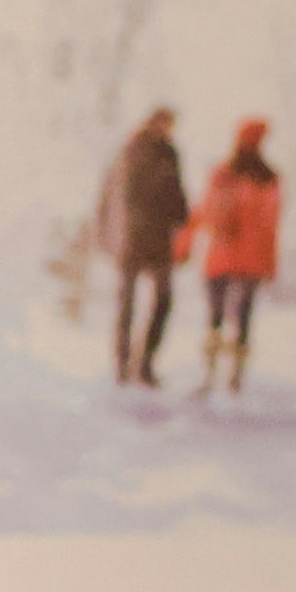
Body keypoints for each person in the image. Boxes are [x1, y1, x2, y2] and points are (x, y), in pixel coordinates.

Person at [102, 102, 196, 388]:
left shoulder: (170, 153)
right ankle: (122, 363)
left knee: (163, 302)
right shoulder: (133, 150)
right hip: (132, 239)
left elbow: (177, 194)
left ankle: (145, 363)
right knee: (127, 305)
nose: (167, 129)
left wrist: (182, 219)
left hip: (160, 241)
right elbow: (120, 194)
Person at [193, 120, 288, 396]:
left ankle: (210, 374)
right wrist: (270, 263)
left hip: (222, 255)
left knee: (215, 317)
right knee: (243, 318)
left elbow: (206, 210)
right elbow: (271, 224)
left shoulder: (224, 173)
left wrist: (185, 243)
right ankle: (234, 378)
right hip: (251, 258)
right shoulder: (269, 178)